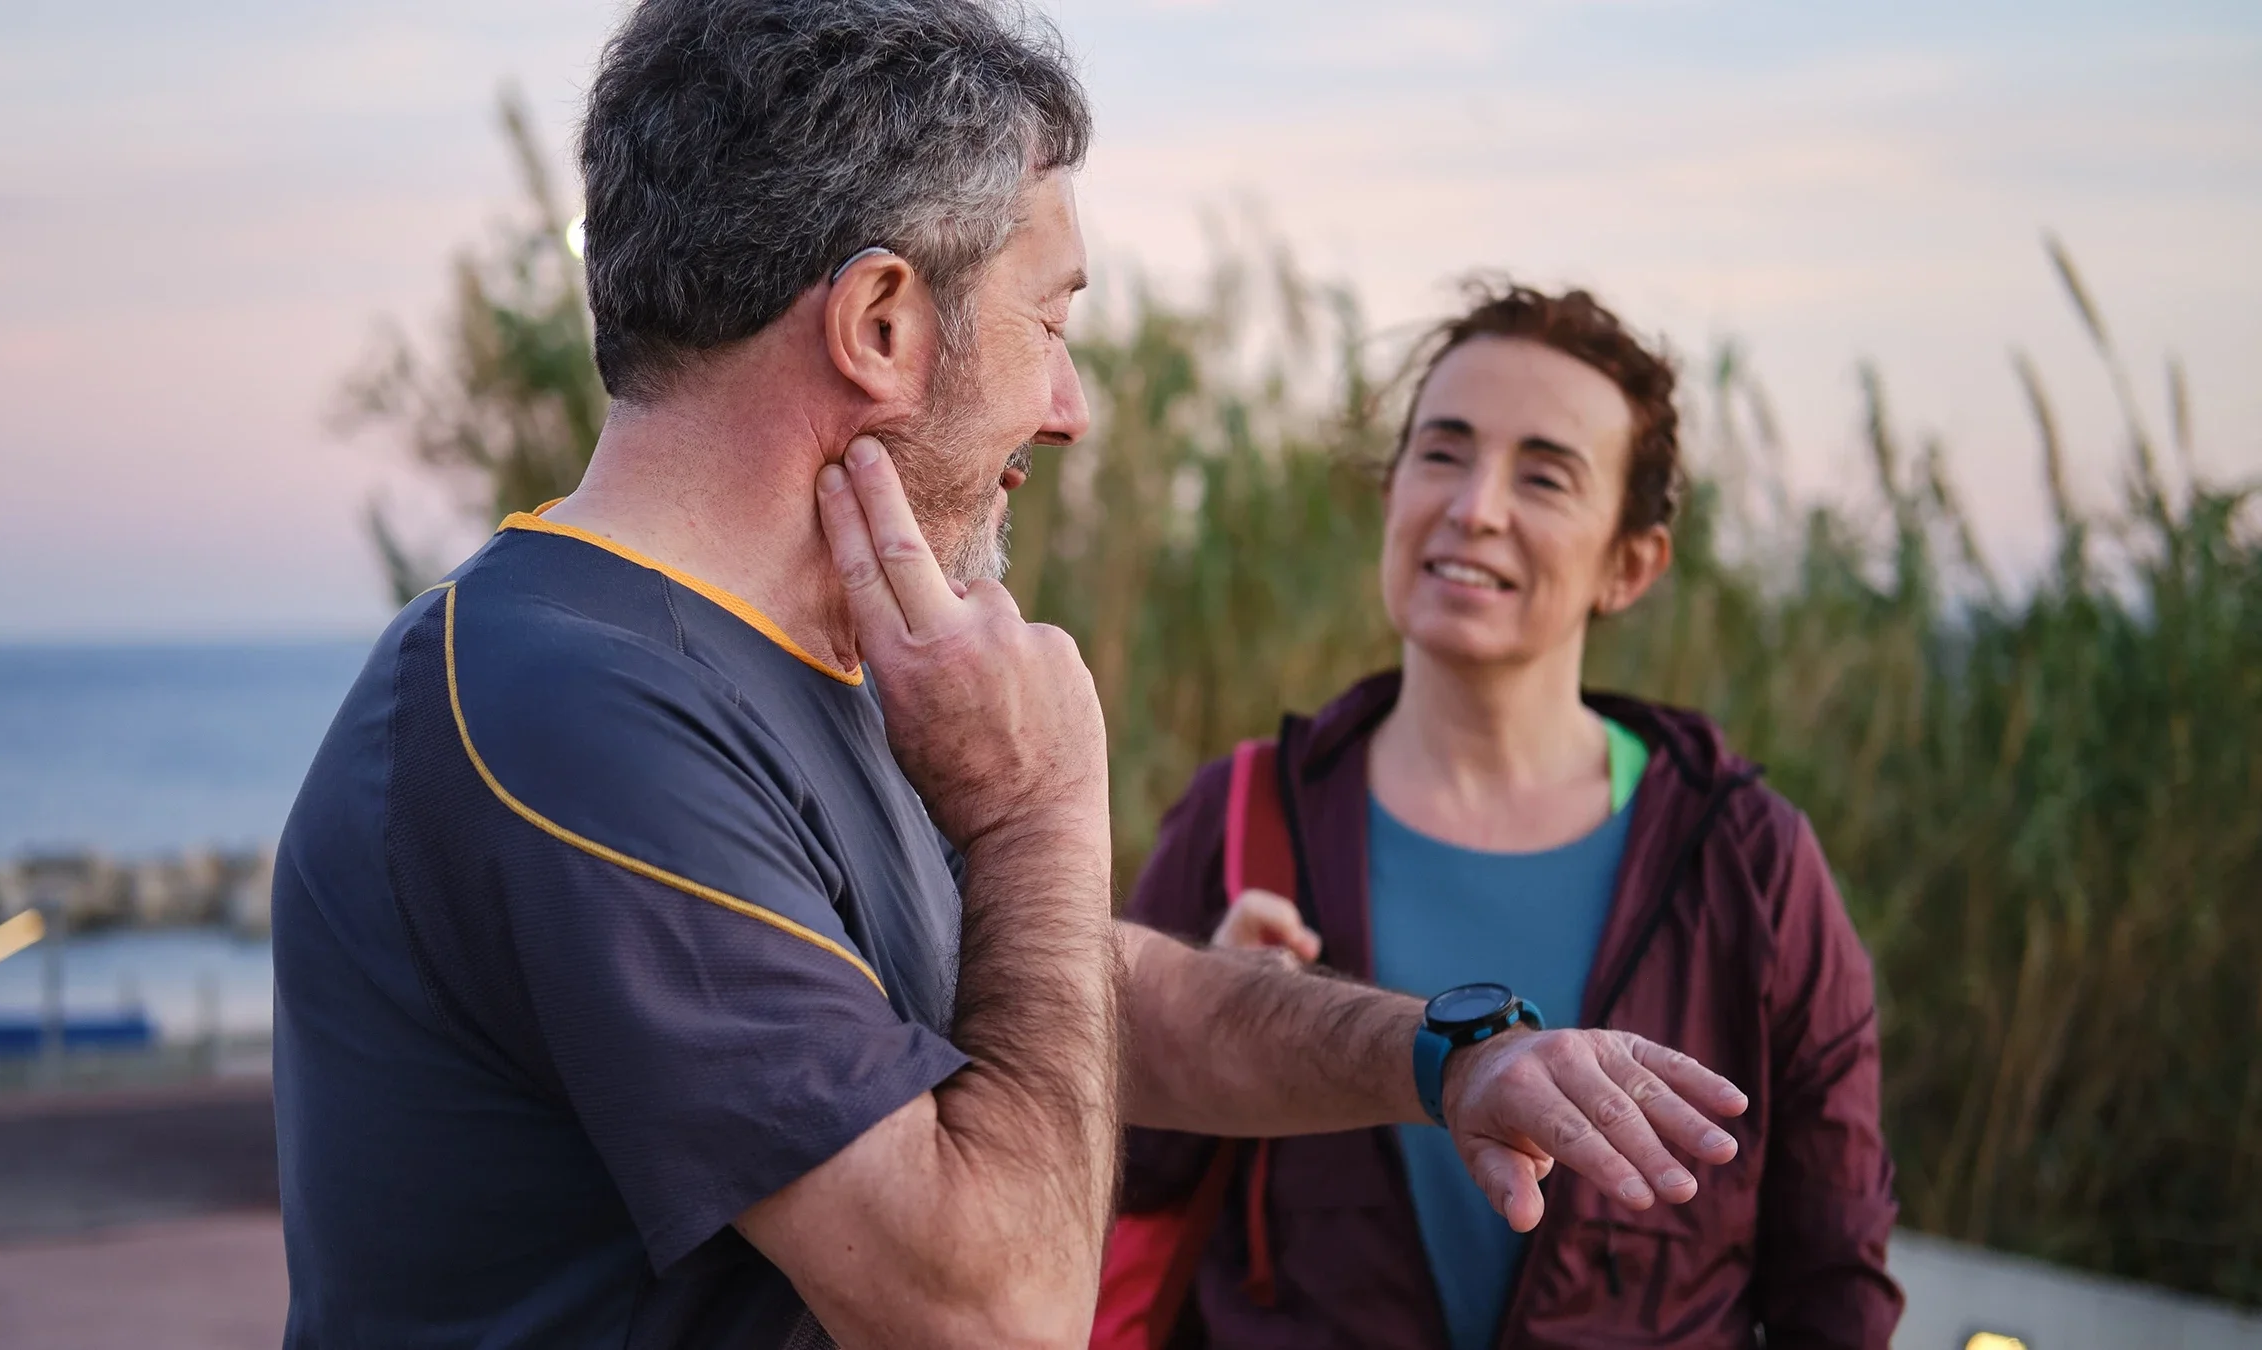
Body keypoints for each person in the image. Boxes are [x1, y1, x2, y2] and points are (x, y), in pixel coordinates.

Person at [270, 6, 1751, 1347]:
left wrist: (1445, 1059)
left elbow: (1069, 994)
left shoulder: (795, 663)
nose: (1073, 409)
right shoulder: (570, 712)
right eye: (1052, 322)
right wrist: (1042, 805)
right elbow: (994, 1312)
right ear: (883, 326)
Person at [1121, 282, 1903, 1348]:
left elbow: (1835, 1273)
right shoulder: (1246, 814)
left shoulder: (1746, 860)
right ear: (1393, 490)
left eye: (1544, 475)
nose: (1475, 506)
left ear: (1630, 565)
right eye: (1442, 453)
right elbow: (1107, 1177)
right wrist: (1201, 1006)